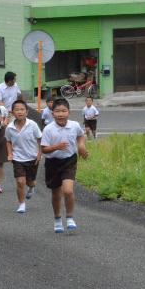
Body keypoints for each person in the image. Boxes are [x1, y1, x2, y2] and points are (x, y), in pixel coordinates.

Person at [41, 98, 88, 233]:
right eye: (57, 111)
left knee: (68, 191)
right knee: (56, 194)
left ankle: (69, 217)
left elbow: (80, 136)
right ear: (52, 113)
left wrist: (81, 146)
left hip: (69, 161)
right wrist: (56, 147)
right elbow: (44, 149)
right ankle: (57, 218)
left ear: (69, 112)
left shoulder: (74, 125)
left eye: (63, 111)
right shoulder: (48, 129)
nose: (60, 114)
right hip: (53, 163)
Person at [5, 100, 42, 213]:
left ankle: (31, 187)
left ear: (26, 112)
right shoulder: (9, 128)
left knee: (30, 182)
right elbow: (8, 141)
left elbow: (40, 139)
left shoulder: (33, 125)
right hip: (18, 158)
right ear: (12, 112)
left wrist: (40, 154)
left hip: (32, 158)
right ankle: (21, 204)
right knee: (20, 182)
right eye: (17, 109)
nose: (20, 112)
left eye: (22, 109)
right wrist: (10, 154)